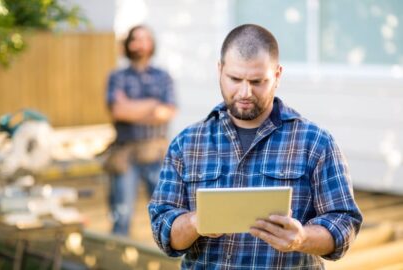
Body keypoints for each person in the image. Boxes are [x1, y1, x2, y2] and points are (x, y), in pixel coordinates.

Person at [148, 24, 362, 269]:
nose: (245, 92)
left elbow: (344, 224)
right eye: (235, 79)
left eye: (257, 81)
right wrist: (197, 222)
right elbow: (162, 230)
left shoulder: (315, 142)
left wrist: (302, 238)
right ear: (220, 70)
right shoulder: (187, 143)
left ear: (278, 75)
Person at [105, 25, 176, 236]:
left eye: (145, 39)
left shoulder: (164, 76)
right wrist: (153, 104)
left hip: (156, 155)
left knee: (166, 215)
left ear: (152, 44)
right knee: (121, 215)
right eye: (135, 39)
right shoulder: (116, 76)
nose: (140, 44)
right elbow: (118, 111)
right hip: (125, 155)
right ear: (128, 45)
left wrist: (132, 106)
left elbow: (167, 112)